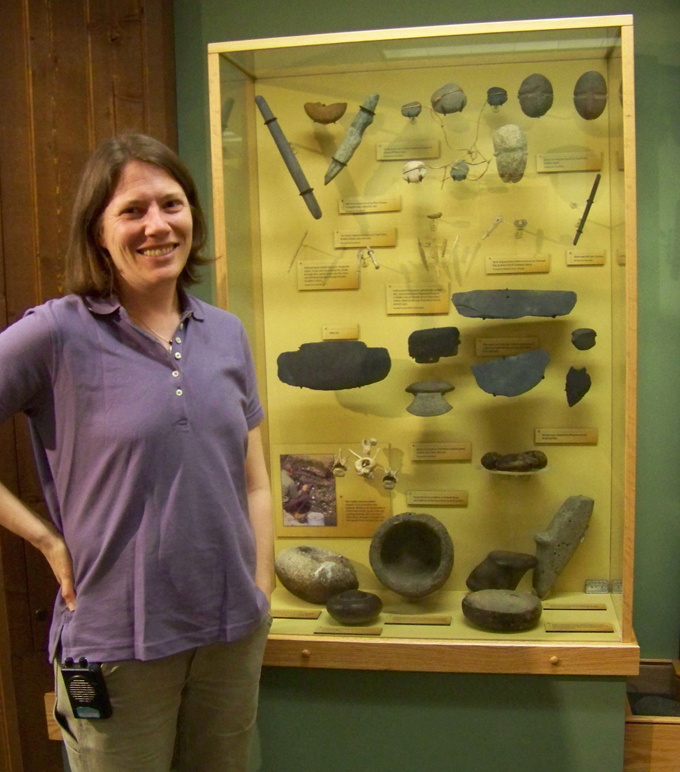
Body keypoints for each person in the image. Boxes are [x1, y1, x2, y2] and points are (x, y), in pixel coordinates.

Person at [0, 133, 274, 772]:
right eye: (132, 210)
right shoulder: (57, 333)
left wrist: (259, 590)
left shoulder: (226, 333)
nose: (158, 225)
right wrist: (45, 539)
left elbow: (254, 481)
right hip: (119, 643)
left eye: (172, 204)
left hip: (231, 635)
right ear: (98, 231)